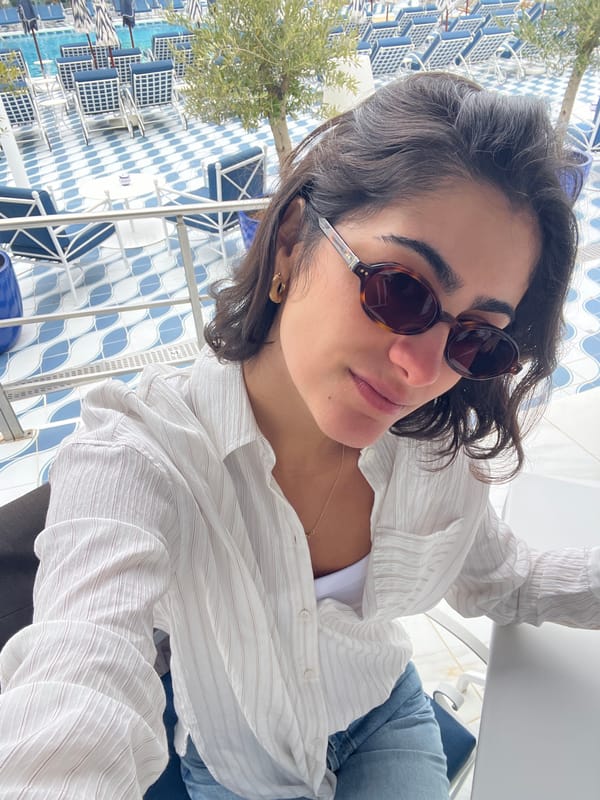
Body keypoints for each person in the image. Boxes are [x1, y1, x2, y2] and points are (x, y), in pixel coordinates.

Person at [0, 71, 598, 800]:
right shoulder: (138, 453)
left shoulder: (433, 450)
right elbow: (77, 677)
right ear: (290, 244)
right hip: (238, 765)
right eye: (400, 289)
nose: (421, 369)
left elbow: (501, 579)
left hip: (384, 711)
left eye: (475, 337)